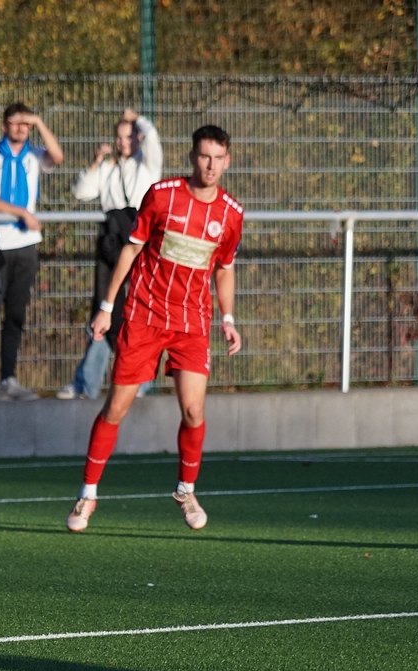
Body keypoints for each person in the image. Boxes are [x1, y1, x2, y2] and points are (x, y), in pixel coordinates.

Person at [65, 125, 243, 533]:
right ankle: (87, 494)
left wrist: (229, 319)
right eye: (204, 156)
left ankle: (186, 490)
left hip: (191, 322)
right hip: (144, 316)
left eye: (218, 158)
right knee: (116, 408)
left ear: (227, 161)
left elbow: (225, 268)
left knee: (194, 411)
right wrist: (107, 307)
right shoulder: (162, 195)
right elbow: (131, 249)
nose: (210, 165)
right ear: (192, 157)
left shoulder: (231, 214)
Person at [57, 108, 162, 401]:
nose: (123, 142)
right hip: (112, 242)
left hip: (140, 240)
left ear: (137, 138)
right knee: (104, 309)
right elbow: (81, 192)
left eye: (129, 137)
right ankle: (86, 383)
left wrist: (137, 118)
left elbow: (153, 138)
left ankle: (140, 379)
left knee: (138, 311)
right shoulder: (108, 168)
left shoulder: (147, 165)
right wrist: (95, 163)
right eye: (119, 137)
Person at [0, 102, 63, 401]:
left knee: (15, 314)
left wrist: (39, 120)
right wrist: (21, 212)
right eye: (15, 122)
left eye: (26, 123)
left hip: (25, 246)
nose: (21, 128)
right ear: (4, 126)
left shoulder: (33, 155)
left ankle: (8, 379)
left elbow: (57, 156)